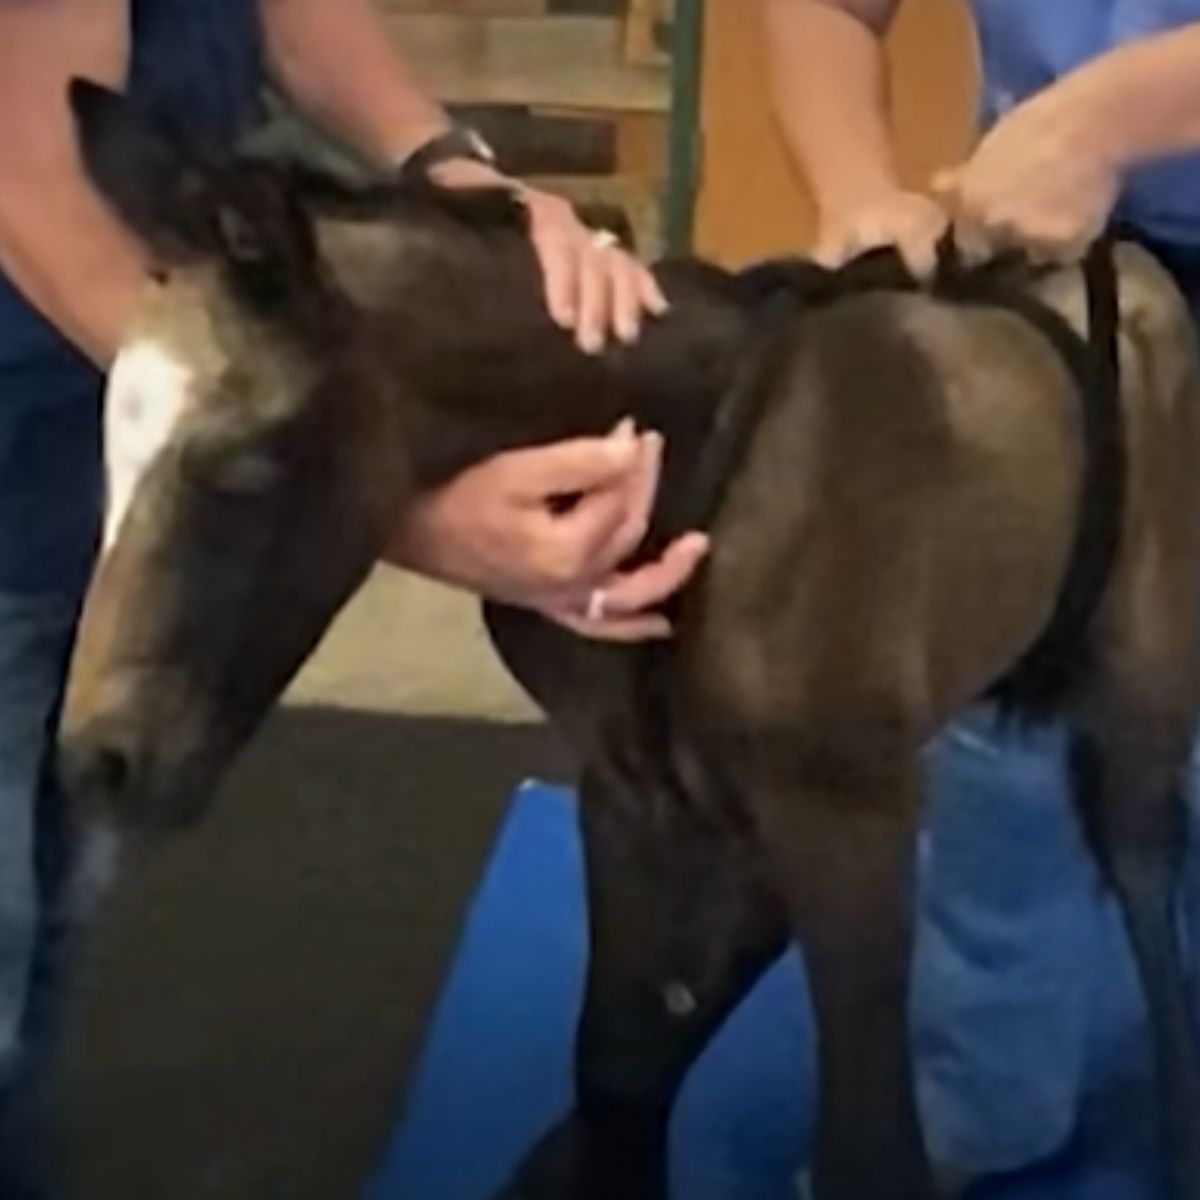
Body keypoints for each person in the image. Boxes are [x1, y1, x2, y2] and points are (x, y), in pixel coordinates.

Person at [0, 2, 703, 1194]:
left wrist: (455, 170)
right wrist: (393, 508)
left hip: (100, 460)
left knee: (57, 903)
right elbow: (31, 183)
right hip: (47, 443)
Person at [762, 0, 1200, 1188]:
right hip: (1064, 247)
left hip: (1101, 164)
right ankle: (989, 1082)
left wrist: (1110, 111)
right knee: (997, 695)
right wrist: (854, 187)